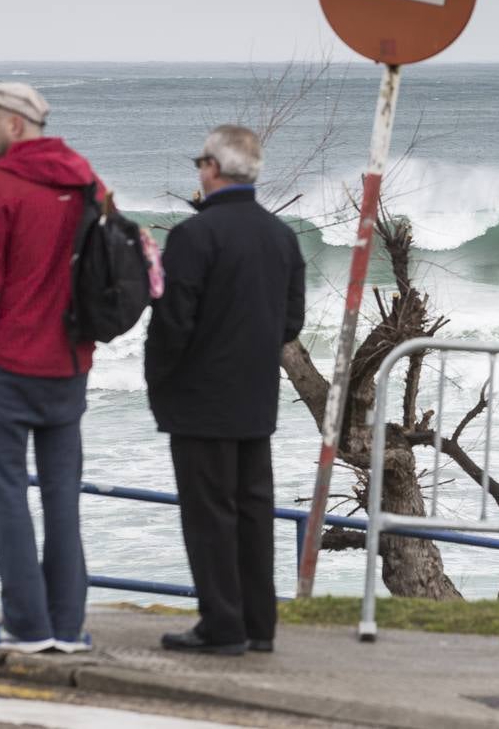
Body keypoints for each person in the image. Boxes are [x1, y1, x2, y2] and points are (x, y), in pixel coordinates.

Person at [145, 124, 304, 655]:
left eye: (200, 163)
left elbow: (172, 323)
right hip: (255, 395)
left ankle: (222, 625)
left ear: (212, 169)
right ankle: (259, 624)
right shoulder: (280, 235)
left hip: (199, 400)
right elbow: (291, 321)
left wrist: (160, 380)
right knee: (254, 513)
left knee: (209, 515)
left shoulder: (195, 236)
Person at [0, 82, 98, 654]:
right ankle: (67, 626)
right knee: (63, 496)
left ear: (14, 125)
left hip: (7, 365)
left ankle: (25, 625)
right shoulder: (87, 180)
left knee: (6, 494)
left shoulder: (0, 184)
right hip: (69, 364)